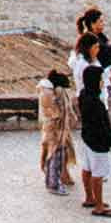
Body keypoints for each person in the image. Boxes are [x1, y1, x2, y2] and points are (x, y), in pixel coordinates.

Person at [76, 14, 111, 217]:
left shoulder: (84, 96)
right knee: (98, 173)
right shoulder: (96, 102)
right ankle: (99, 205)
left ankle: (90, 198)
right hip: (97, 141)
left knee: (87, 167)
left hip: (87, 137)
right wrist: (108, 143)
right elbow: (102, 125)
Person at [36, 64, 75, 194]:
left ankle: (60, 178)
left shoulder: (48, 91)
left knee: (58, 153)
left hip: (57, 129)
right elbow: (55, 113)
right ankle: (53, 184)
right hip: (54, 129)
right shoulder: (48, 94)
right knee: (54, 155)